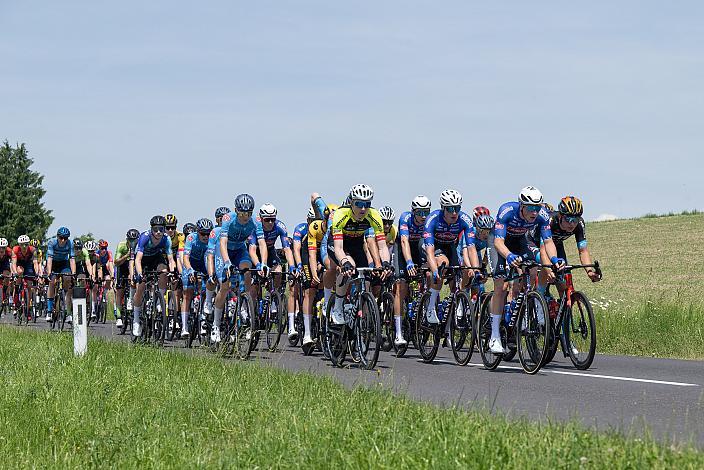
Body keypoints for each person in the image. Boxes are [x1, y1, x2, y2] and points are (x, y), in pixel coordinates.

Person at [488, 186, 563, 354]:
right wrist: (508, 256)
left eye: (537, 207)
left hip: (520, 240)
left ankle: (527, 304)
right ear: (521, 206)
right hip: (500, 242)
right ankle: (494, 335)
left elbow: (548, 242)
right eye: (530, 208)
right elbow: (499, 243)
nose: (534, 212)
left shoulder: (542, 216)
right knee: (501, 286)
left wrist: (554, 259)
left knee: (533, 269)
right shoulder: (507, 210)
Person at [328, 184, 393, 324]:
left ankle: (361, 318)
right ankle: (338, 307)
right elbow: (338, 248)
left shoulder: (374, 215)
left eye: (367, 204)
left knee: (367, 279)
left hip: (356, 243)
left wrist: (386, 263)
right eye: (359, 204)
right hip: (338, 244)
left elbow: (382, 246)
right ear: (351, 202)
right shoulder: (340, 214)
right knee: (349, 267)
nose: (363, 208)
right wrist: (344, 262)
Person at [132, 215, 176, 337]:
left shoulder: (166, 239)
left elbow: (171, 259)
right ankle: (136, 320)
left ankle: (159, 300)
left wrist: (172, 272)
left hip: (156, 257)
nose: (158, 232)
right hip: (143, 259)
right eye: (155, 229)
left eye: (161, 229)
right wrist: (140, 274)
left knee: (164, 271)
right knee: (140, 288)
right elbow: (138, 260)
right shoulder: (144, 237)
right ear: (151, 229)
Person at [181, 218, 217, 339]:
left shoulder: (212, 238)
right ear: (198, 232)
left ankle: (203, 318)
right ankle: (184, 327)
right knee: (187, 293)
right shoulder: (191, 237)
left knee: (208, 286)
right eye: (203, 233)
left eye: (208, 233)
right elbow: (185, 257)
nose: (206, 236)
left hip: (204, 264)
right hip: (191, 264)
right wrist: (190, 270)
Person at [45, 227, 76, 322]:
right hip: (53, 263)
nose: (63, 240)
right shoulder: (52, 243)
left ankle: (65, 302)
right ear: (57, 237)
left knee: (67, 278)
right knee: (52, 282)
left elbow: (72, 259)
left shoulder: (70, 243)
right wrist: (49, 273)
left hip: (63, 263)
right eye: (61, 238)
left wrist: (74, 273)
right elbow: (49, 260)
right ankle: (49, 311)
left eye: (65, 238)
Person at [114, 229, 139, 328]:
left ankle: (132, 300)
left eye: (135, 240)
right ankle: (119, 317)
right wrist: (126, 255)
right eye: (130, 240)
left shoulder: (139, 246)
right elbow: (116, 262)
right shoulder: (122, 245)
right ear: (127, 239)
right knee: (120, 291)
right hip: (122, 266)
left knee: (134, 280)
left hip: (133, 266)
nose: (132, 242)